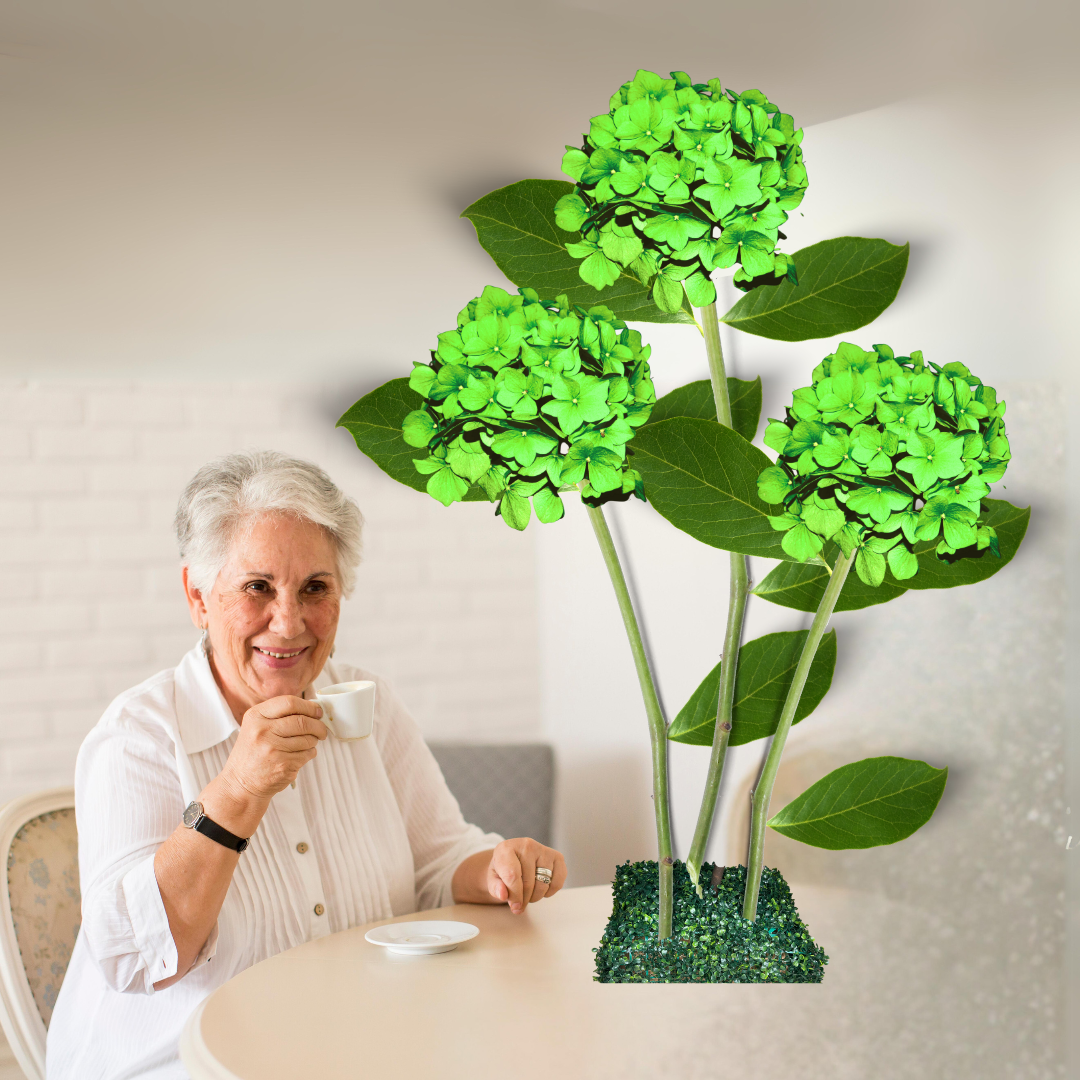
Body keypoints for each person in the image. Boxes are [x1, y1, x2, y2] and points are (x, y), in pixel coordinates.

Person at [47, 450, 566, 1079]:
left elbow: (437, 862)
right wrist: (240, 788)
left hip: (349, 1048)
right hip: (181, 1064)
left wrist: (497, 870)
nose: (288, 622)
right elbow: (135, 959)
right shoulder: (137, 737)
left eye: (314, 588)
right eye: (257, 587)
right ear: (198, 597)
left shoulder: (367, 703)